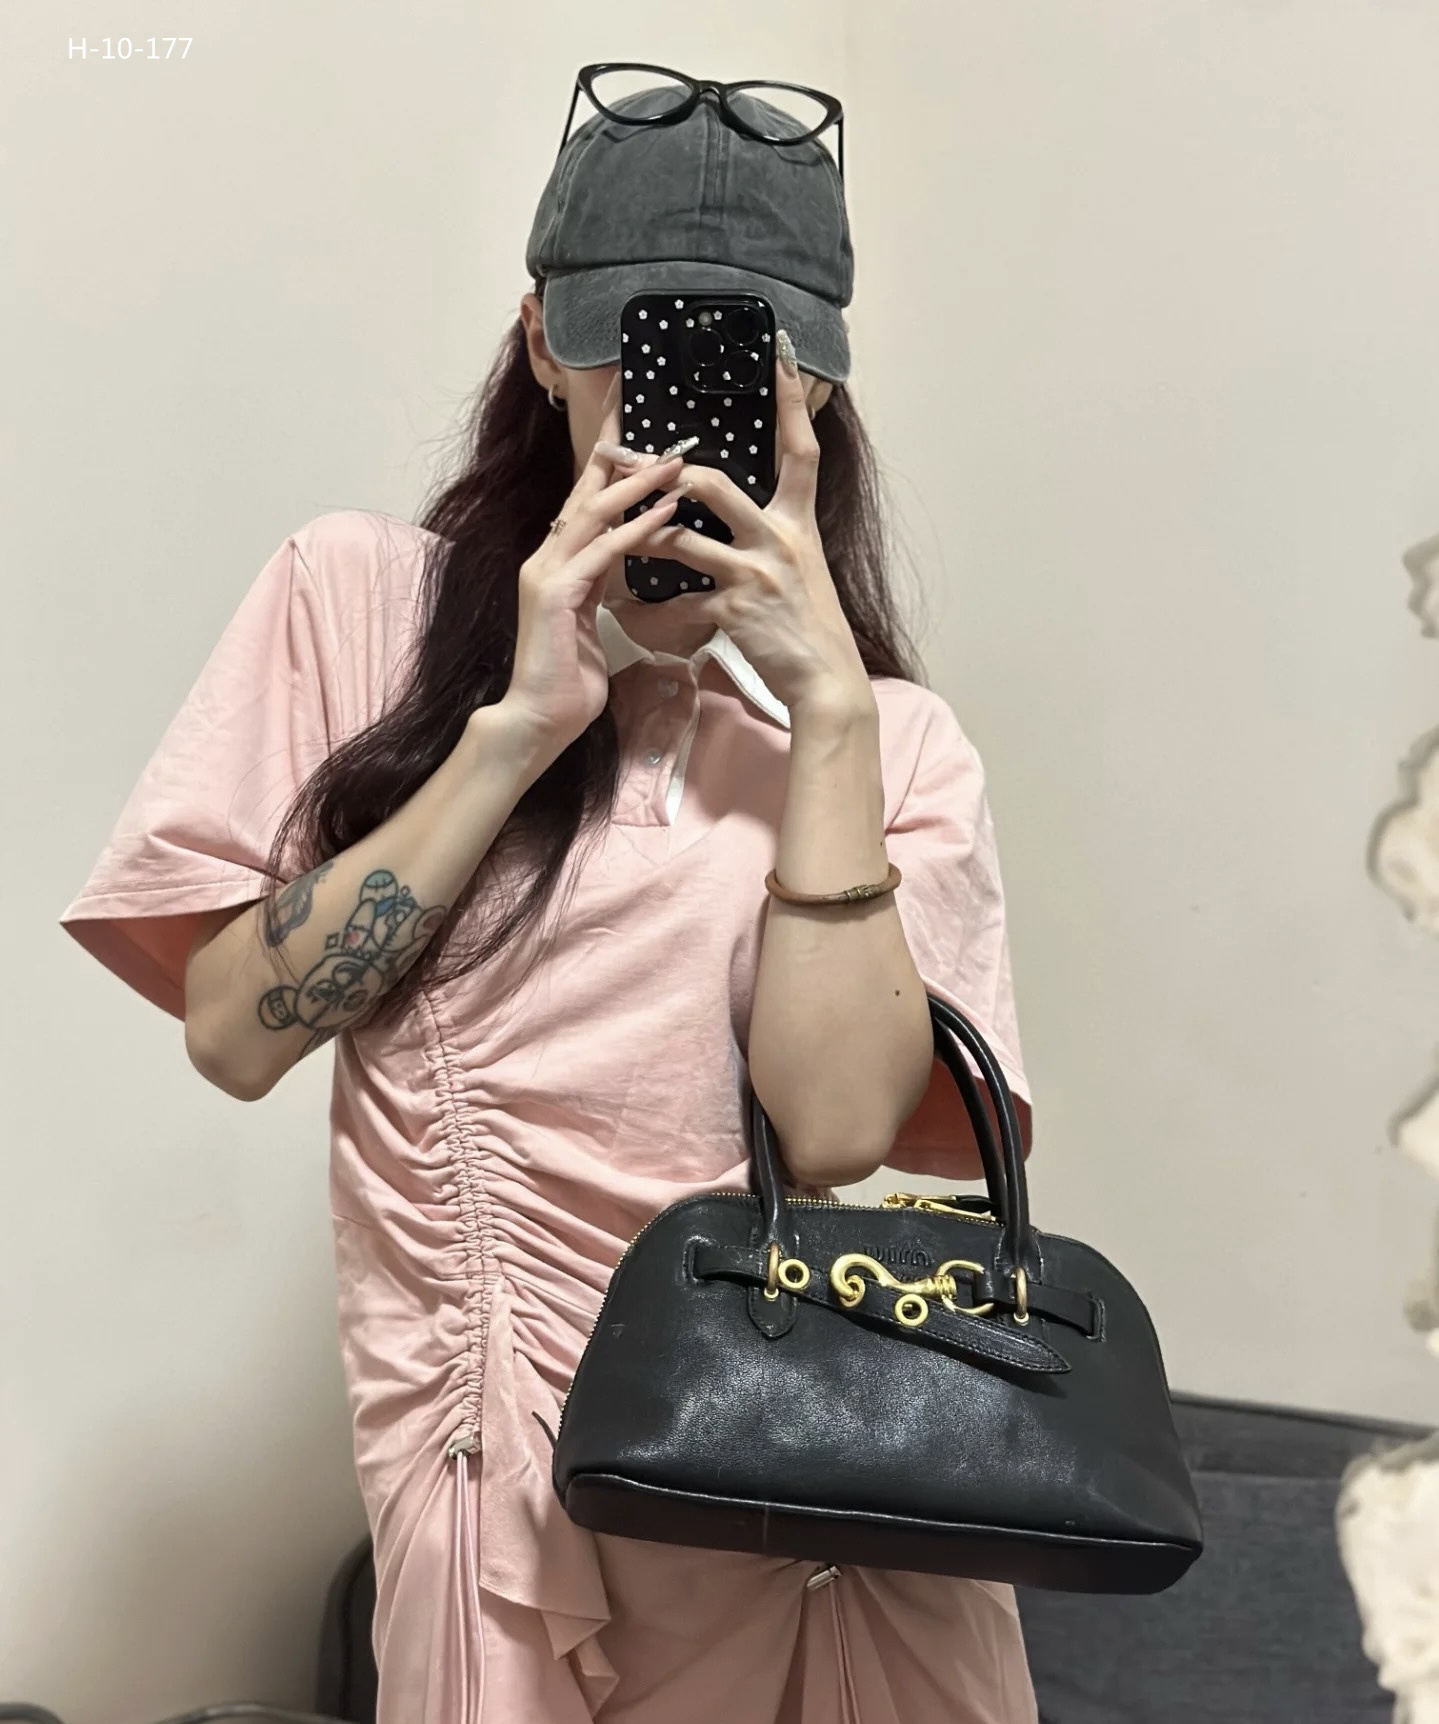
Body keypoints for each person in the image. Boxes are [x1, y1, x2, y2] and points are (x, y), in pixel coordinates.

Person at [59, 66, 1038, 1724]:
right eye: (637, 343)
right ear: (539, 340)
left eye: (747, 357)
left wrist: (829, 720)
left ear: (818, 383)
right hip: (501, 1486)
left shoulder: (894, 740)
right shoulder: (356, 605)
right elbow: (233, 1032)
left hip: (830, 1543)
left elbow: (830, 1134)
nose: (680, 406)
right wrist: (515, 729)